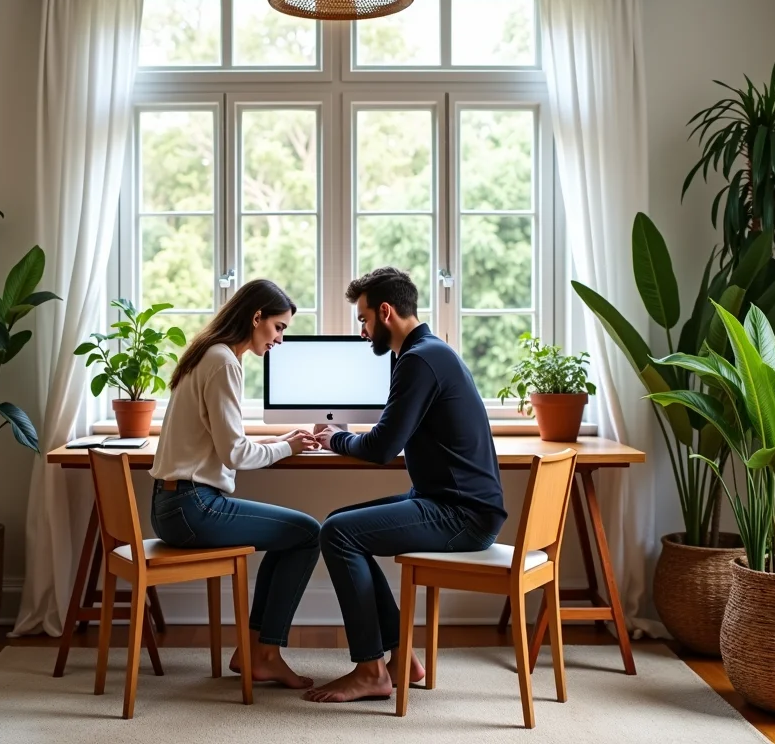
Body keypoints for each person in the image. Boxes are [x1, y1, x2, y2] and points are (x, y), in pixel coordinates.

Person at [303, 267, 507, 703]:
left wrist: (333, 439)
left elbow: (381, 447)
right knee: (339, 523)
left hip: (461, 514)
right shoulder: (425, 353)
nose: (362, 331)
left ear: (386, 311)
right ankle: (401, 658)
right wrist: (348, 438)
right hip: (449, 502)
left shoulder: (419, 359)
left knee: (338, 534)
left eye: (363, 319)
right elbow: (389, 435)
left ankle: (370, 670)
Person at [149, 279, 321, 689]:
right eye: (278, 327)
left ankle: (255, 651)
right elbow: (236, 456)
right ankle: (262, 653)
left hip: (172, 506)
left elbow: (227, 442)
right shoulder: (224, 361)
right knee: (309, 533)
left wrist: (280, 441)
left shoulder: (209, 355)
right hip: (194, 508)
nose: (280, 339)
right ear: (256, 317)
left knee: (293, 535)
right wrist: (289, 450)